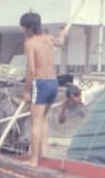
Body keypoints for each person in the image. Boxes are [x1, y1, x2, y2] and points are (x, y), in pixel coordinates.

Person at [19, 11, 70, 166]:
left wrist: (27, 91)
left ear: (28, 28)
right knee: (44, 119)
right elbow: (60, 42)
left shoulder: (30, 43)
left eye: (23, 28)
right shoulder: (48, 39)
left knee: (36, 122)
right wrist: (63, 33)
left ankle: (34, 160)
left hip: (40, 84)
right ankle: (43, 153)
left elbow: (31, 70)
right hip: (53, 83)